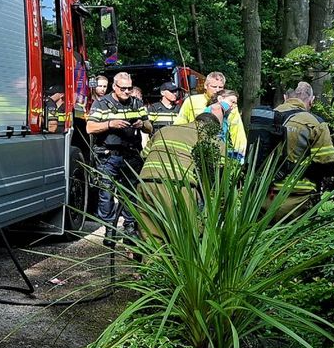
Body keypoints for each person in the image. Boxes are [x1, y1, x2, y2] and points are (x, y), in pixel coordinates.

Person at [136, 105, 226, 245]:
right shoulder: (211, 138)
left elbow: (144, 155)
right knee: (184, 238)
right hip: (178, 186)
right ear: (213, 127)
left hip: (146, 182)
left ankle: (151, 265)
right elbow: (221, 170)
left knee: (151, 237)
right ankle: (179, 266)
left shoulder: (165, 130)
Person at [87, 72, 152, 243]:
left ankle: (130, 227)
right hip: (109, 155)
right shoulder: (101, 103)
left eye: (130, 88)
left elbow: (149, 127)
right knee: (106, 193)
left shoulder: (136, 103)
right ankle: (110, 230)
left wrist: (141, 124)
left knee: (130, 193)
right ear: (114, 87)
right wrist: (110, 124)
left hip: (131, 155)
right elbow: (90, 127)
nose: (127, 91)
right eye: (123, 88)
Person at [266, 82, 334, 221]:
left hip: (262, 199)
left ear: (285, 97)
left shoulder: (265, 118)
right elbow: (328, 165)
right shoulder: (315, 122)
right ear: (311, 101)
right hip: (298, 201)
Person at [176, 71, 247, 157]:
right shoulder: (191, 101)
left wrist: (240, 154)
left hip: (218, 148)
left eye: (220, 87)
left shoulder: (230, 105)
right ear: (205, 86)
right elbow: (179, 125)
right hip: (193, 146)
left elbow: (237, 131)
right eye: (214, 86)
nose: (217, 90)